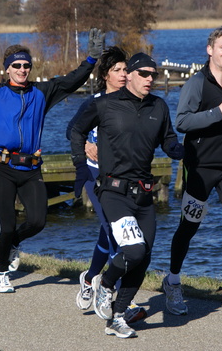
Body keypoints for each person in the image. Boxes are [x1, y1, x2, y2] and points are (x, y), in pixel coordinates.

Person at [0, 26, 102, 293]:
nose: (23, 70)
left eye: (26, 65)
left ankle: (12, 244)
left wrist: (91, 60)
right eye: (17, 66)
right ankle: (1, 273)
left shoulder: (41, 93)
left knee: (37, 221)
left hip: (32, 167)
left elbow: (72, 80)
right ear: (7, 69)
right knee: (7, 222)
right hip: (2, 167)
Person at [70, 52, 184, 339]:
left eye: (153, 75)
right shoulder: (105, 104)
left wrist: (191, 150)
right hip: (113, 192)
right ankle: (105, 283)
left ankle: (118, 317)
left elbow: (169, 143)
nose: (150, 79)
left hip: (145, 194)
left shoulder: (159, 107)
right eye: (144, 74)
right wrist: (81, 162)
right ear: (130, 75)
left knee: (143, 257)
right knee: (132, 250)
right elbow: (75, 130)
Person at [162, 26, 222, 320]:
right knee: (189, 228)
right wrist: (217, 112)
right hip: (201, 168)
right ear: (210, 50)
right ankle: (173, 281)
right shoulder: (196, 83)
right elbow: (182, 122)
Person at [66, 46, 146, 324]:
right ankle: (122, 299)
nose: (123, 75)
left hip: (125, 178)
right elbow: (72, 129)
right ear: (105, 75)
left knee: (107, 230)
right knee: (117, 233)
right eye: (117, 70)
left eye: (126, 70)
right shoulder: (96, 102)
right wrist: (87, 144)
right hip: (96, 176)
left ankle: (89, 279)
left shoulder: (133, 101)